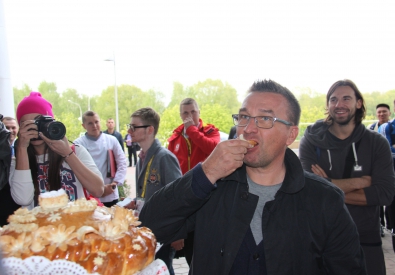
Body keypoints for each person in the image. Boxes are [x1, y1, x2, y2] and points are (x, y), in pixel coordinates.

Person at [140, 80, 367, 274]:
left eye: (265, 119)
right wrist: (207, 171)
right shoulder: (212, 188)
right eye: (244, 117)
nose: (248, 129)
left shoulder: (325, 200)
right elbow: (150, 226)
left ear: (291, 134)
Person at [299, 79, 395, 275]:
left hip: (365, 238)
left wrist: (327, 186)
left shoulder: (377, 143)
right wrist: (360, 182)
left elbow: (384, 194)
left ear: (358, 103)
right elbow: (306, 188)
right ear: (328, 105)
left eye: (346, 98)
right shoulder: (312, 139)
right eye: (333, 99)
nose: (339, 104)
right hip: (320, 241)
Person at [9, 92, 104, 210]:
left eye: (38, 122)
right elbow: (23, 199)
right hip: (38, 228)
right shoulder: (17, 162)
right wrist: (22, 148)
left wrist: (68, 154)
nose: (34, 128)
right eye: (26, 124)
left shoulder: (76, 151)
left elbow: (98, 190)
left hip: (76, 226)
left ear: (50, 123)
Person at [124, 107, 182, 275]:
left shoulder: (164, 157)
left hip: (164, 233)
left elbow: (179, 198)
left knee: (163, 268)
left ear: (150, 129)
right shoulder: (142, 158)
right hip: (148, 230)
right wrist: (135, 203)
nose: (129, 130)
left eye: (134, 127)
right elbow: (146, 193)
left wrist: (179, 233)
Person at [167, 98, 220, 265]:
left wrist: (192, 131)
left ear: (199, 112)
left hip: (208, 198)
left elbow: (213, 149)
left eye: (193, 112)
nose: (189, 116)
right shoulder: (174, 138)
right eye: (185, 113)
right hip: (185, 200)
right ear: (180, 115)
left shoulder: (211, 131)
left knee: (206, 248)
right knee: (189, 249)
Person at [74, 111, 127, 208]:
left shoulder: (112, 140)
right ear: (83, 125)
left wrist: (114, 184)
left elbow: (122, 162)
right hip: (88, 196)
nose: (94, 125)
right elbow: (75, 169)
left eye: (96, 122)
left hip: (110, 194)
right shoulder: (78, 144)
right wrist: (96, 190)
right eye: (90, 123)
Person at [367, 103, 391, 236]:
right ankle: (380, 224)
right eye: (379, 112)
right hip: (376, 167)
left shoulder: (391, 127)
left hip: (389, 166)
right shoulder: (371, 128)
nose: (381, 114)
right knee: (377, 198)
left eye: (384, 112)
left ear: (389, 113)